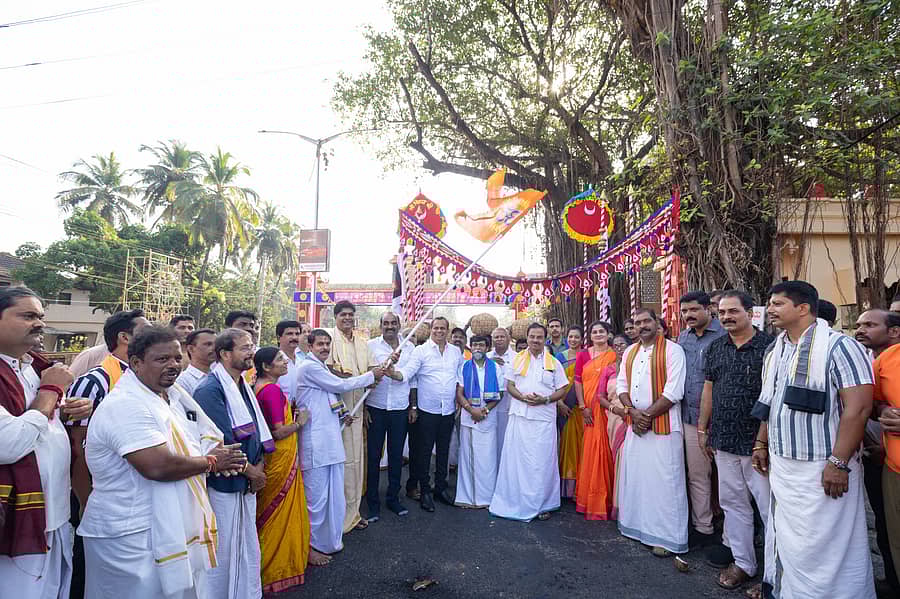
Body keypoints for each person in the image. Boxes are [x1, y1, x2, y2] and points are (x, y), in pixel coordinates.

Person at [79, 326, 244, 599]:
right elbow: (157, 466)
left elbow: (199, 436)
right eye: (161, 359)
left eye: (177, 358)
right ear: (135, 362)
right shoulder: (127, 404)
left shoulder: (171, 396)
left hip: (165, 526)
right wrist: (213, 462)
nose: (173, 365)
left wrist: (212, 454)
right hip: (130, 533)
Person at [752, 281, 875, 598]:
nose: (771, 310)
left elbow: (859, 409)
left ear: (803, 308)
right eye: (770, 303)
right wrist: (761, 443)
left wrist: (838, 462)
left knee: (828, 543)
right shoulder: (776, 348)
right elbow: (772, 402)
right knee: (790, 541)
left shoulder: (839, 346)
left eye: (778, 303)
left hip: (824, 466)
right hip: (784, 466)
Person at [0, 287, 85, 599]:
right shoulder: (46, 376)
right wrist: (51, 391)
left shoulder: (33, 368)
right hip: (14, 521)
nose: (38, 323)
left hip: (53, 515)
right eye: (27, 316)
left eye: (40, 316)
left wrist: (65, 410)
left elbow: (38, 423)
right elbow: (8, 443)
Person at [697, 291, 773, 593]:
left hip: (760, 444)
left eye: (733, 312)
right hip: (724, 439)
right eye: (722, 312)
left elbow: (774, 397)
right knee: (733, 504)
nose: (726, 317)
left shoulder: (770, 347)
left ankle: (776, 573)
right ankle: (743, 563)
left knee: (769, 510)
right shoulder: (716, 348)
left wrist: (762, 442)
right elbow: (708, 390)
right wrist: (704, 429)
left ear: (750, 313)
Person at [194, 328, 274, 599]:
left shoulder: (242, 384)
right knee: (224, 549)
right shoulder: (210, 389)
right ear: (225, 354)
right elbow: (221, 441)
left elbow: (256, 432)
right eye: (244, 348)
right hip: (224, 483)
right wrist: (253, 473)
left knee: (245, 544)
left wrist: (259, 467)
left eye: (251, 346)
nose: (251, 352)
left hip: (246, 480)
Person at [297, 329, 383, 556]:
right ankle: (310, 547)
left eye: (327, 344)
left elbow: (329, 396)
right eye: (320, 344)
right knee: (316, 498)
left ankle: (327, 541)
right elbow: (339, 386)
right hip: (315, 441)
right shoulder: (309, 367)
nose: (324, 348)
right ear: (310, 346)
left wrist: (343, 412)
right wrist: (372, 375)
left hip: (331, 439)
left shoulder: (321, 366)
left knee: (331, 494)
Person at [616, 308, 688, 556]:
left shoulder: (672, 350)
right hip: (635, 425)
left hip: (663, 426)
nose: (642, 325)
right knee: (637, 478)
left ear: (658, 323)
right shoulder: (629, 351)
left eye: (647, 321)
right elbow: (621, 385)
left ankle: (667, 538)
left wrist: (644, 417)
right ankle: (636, 527)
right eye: (637, 322)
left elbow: (673, 391)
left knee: (665, 481)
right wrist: (632, 412)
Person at [68, 309, 151, 514]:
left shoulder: (146, 379)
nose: (153, 337)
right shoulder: (93, 382)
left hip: (136, 493)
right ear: (124, 337)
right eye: (145, 331)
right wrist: (86, 502)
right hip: (100, 498)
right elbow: (76, 447)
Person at [490, 323, 568, 521]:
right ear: (527, 338)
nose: (535, 340)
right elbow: (510, 385)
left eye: (539, 337)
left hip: (543, 419)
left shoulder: (554, 363)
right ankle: (516, 500)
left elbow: (562, 388)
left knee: (541, 462)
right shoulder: (516, 361)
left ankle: (543, 503)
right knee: (518, 461)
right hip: (520, 417)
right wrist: (523, 397)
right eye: (532, 337)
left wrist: (547, 399)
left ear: (545, 338)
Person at [252, 347, 313, 592]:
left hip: (274, 458)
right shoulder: (272, 390)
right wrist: (299, 422)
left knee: (269, 513)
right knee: (277, 514)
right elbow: (277, 431)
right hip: (279, 459)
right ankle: (275, 568)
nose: (285, 361)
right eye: (280, 359)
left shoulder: (259, 386)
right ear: (267, 367)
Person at [676, 291, 725, 547]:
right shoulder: (682, 337)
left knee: (729, 479)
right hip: (690, 417)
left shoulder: (725, 334)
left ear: (709, 309)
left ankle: (731, 532)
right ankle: (703, 527)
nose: (689, 315)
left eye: (694, 310)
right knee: (698, 475)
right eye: (684, 311)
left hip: (722, 420)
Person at [856, 309, 900, 595]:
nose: (860, 329)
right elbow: (874, 406)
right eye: (858, 324)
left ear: (894, 331)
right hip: (890, 466)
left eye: (869, 324)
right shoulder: (879, 362)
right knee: (890, 532)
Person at [399, 316, 463, 512]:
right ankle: (425, 490)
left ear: (448, 330)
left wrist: (460, 399)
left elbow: (459, 377)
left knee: (443, 451)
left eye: (443, 328)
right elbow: (410, 375)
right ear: (431, 330)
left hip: (448, 410)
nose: (439, 331)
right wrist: (395, 374)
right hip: (427, 410)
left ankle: (440, 488)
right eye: (436, 328)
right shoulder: (421, 351)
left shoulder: (455, 352)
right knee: (424, 452)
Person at [326, 300, 377, 532]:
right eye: (343, 314)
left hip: (358, 412)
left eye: (350, 315)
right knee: (340, 465)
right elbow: (328, 374)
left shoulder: (363, 344)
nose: (347, 318)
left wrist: (380, 373)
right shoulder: (328, 340)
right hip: (335, 413)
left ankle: (352, 513)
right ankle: (334, 517)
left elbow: (371, 374)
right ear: (335, 317)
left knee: (356, 464)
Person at [366, 313, 416, 521]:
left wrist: (413, 406)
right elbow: (366, 375)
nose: (389, 327)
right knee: (374, 456)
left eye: (393, 323)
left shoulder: (410, 347)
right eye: (385, 323)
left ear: (399, 325)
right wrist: (363, 409)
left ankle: (393, 498)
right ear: (380, 326)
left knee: (396, 455)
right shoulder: (370, 346)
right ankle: (372, 502)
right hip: (375, 407)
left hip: (399, 408)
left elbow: (413, 380)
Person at [570, 321, 619, 521]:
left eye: (602, 331)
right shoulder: (583, 355)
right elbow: (578, 381)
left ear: (608, 335)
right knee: (592, 451)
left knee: (608, 450)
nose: (598, 334)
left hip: (611, 409)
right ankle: (591, 499)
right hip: (590, 410)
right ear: (589, 336)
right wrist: (583, 406)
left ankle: (609, 500)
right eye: (594, 332)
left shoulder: (615, 355)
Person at [455, 335, 503, 508]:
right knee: (468, 457)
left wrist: (485, 410)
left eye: (481, 345)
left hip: (488, 417)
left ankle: (487, 498)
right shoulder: (465, 367)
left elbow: (501, 393)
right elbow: (459, 392)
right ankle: (467, 498)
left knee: (487, 458)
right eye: (474, 345)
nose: (477, 348)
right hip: (469, 417)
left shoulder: (496, 368)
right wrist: (471, 410)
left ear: (487, 348)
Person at [556, 325, 584, 499]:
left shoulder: (587, 356)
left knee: (581, 447)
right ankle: (565, 488)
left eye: (577, 337)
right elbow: (555, 382)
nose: (573, 340)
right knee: (564, 445)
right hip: (564, 408)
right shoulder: (560, 357)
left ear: (582, 339)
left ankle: (580, 487)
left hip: (580, 408)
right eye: (571, 337)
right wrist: (559, 403)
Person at [606, 334, 631, 519]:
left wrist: (629, 411)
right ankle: (618, 503)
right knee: (617, 459)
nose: (619, 348)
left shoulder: (636, 366)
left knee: (630, 460)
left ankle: (630, 503)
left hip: (634, 418)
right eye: (615, 345)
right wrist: (615, 409)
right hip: (614, 418)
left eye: (622, 344)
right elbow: (600, 396)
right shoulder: (608, 369)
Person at [487, 327, 515, 461]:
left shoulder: (517, 357)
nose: (499, 340)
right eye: (496, 337)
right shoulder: (486, 357)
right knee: (491, 442)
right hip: (489, 407)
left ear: (508, 339)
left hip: (510, 406)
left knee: (507, 441)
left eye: (502, 337)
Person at [175, 328, 216, 396]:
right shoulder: (182, 381)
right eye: (208, 344)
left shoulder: (218, 375)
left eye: (216, 344)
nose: (214, 348)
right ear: (191, 349)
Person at [275, 320, 304, 408]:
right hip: (279, 411)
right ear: (278, 337)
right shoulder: (273, 362)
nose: (294, 337)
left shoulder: (303, 362)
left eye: (297, 334)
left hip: (300, 412)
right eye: (289, 334)